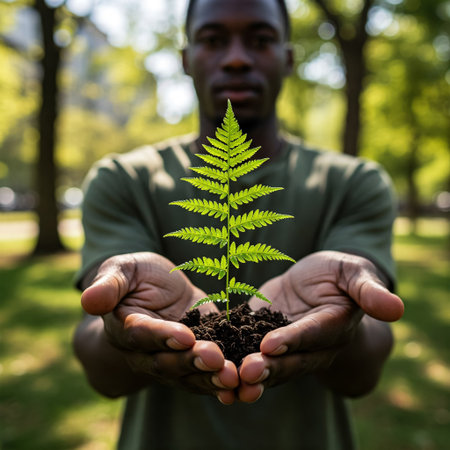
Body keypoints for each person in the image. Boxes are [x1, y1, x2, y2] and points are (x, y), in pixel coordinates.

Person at [73, 0, 405, 448]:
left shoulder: (354, 183)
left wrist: (347, 318)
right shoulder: (122, 179)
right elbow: (102, 373)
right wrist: (120, 327)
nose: (235, 58)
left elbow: (363, 374)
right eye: (212, 40)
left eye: (260, 40)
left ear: (288, 58)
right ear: (186, 60)